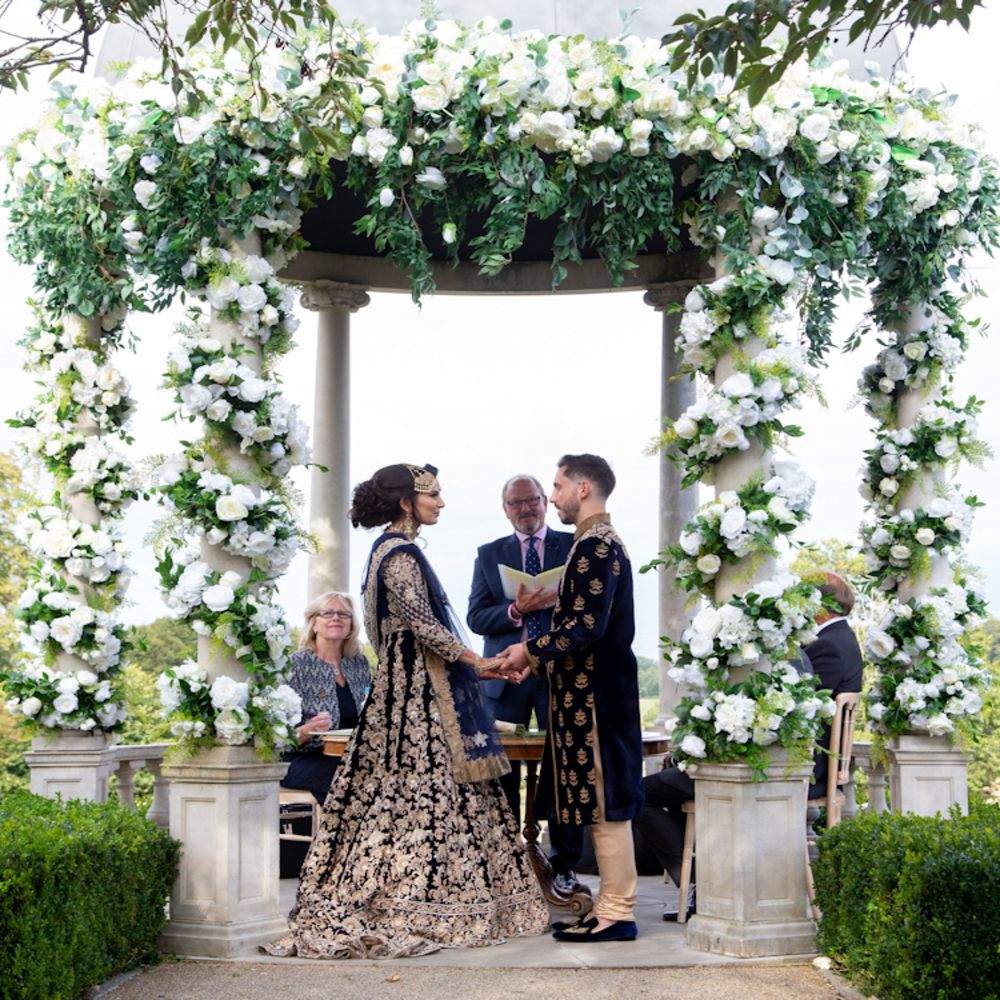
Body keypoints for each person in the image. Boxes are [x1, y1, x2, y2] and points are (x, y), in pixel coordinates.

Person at [265, 463, 548, 960]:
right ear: (405, 502)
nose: (440, 503)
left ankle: (436, 893)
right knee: (428, 793)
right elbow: (424, 627)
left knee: (430, 794)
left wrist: (477, 669)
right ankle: (420, 899)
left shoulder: (389, 551)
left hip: (412, 687)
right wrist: (478, 661)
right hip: (417, 697)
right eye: (432, 495)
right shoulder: (399, 554)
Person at [498, 454, 644, 944]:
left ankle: (617, 913)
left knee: (605, 806)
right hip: (590, 696)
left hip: (596, 700)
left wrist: (527, 651)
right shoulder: (593, 543)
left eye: (558, 486)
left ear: (584, 488)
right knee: (599, 806)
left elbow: (584, 627)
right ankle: (609, 908)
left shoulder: (595, 546)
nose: (553, 496)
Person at [466, 473, 583, 894]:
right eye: (516, 504)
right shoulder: (488, 554)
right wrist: (516, 610)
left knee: (564, 769)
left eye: (532, 500)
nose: (525, 509)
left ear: (545, 503)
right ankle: (501, 864)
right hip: (505, 678)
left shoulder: (572, 548)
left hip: (559, 676)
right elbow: (476, 618)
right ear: (505, 509)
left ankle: (565, 865)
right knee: (500, 771)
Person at [280, 591, 372, 804]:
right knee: (349, 777)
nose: (336, 618)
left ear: (351, 624)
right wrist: (308, 729)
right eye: (328, 612)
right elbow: (279, 739)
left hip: (348, 757)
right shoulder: (294, 665)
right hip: (300, 759)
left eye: (344, 614)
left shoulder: (358, 665)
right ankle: (343, 836)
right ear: (314, 624)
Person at [802, 572, 864, 800]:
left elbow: (804, 706)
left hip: (815, 770)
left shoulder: (828, 645)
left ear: (819, 604)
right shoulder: (842, 637)